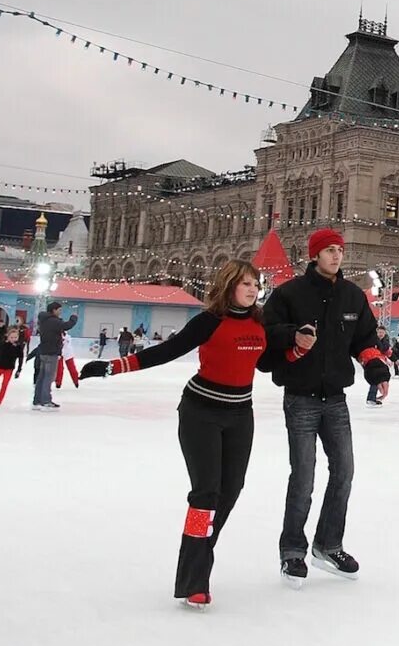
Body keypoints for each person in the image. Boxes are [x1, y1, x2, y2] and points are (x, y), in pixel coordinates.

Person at [81, 261, 270, 609]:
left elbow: (268, 361)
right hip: (201, 412)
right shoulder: (209, 322)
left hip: (241, 415)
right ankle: (195, 580)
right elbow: (166, 351)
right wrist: (113, 366)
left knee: (231, 490)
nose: (252, 289)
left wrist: (300, 347)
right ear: (229, 285)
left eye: (255, 284)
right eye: (245, 284)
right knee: (206, 493)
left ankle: (200, 551)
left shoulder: (260, 323)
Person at [259, 228, 389, 588]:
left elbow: (365, 338)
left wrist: (375, 367)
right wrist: (292, 336)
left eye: (340, 250)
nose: (336, 256)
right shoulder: (288, 294)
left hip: (335, 398)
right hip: (300, 397)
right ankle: (292, 551)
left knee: (344, 470)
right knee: (303, 476)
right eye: (329, 250)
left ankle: (329, 544)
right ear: (315, 255)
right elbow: (266, 331)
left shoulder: (352, 296)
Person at [32, 301, 77, 411]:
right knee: (49, 377)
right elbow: (66, 326)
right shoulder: (53, 321)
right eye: (59, 310)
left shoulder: (44, 320)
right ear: (54, 310)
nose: (60, 312)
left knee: (42, 377)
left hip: (44, 351)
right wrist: (73, 318)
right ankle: (46, 400)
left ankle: (37, 400)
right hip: (51, 352)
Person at [366, 326, 392, 407]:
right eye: (379, 332)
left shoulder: (385, 343)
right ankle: (371, 399)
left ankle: (374, 398)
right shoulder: (372, 341)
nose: (381, 334)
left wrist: (389, 359)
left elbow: (387, 353)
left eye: (382, 333)